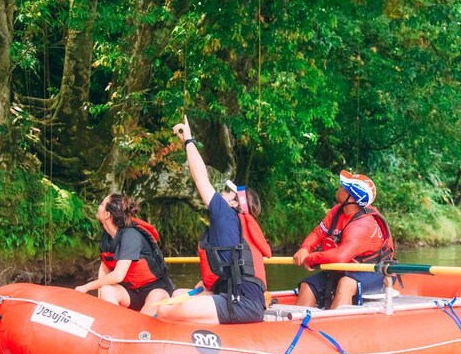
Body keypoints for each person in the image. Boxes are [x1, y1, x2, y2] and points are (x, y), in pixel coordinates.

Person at [157, 116, 272, 324]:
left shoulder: (226, 213)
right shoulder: (233, 225)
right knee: (176, 295)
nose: (224, 193)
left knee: (166, 311)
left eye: (229, 192)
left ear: (236, 203)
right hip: (237, 297)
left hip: (242, 303)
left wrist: (189, 141)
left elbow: (200, 176)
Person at [292, 170, 395, 309]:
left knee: (345, 284)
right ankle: (299, 329)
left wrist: (311, 259)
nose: (339, 189)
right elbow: (319, 232)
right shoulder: (337, 211)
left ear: (351, 198)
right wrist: (305, 249)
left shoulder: (363, 224)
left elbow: (340, 256)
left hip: (375, 271)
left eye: (343, 188)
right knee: (307, 285)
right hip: (346, 268)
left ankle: (334, 328)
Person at [76, 194, 175, 315]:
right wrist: (100, 298)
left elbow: (118, 276)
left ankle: (138, 327)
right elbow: (105, 268)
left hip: (156, 289)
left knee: (156, 296)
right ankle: (113, 325)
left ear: (107, 214)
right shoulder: (106, 236)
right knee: (107, 290)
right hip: (131, 293)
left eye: (101, 204)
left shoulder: (130, 236)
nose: (98, 206)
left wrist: (86, 287)